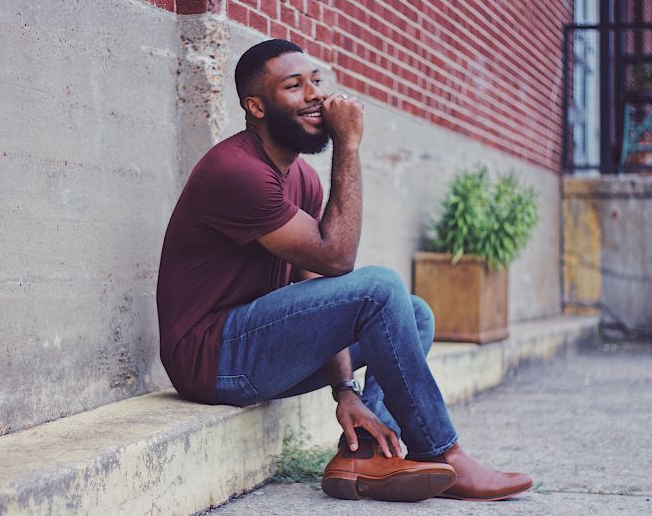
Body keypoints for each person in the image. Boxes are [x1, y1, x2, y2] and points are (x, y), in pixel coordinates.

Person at [156, 39, 532, 503]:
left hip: (259, 344)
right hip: (210, 360)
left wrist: (345, 391)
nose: (316, 94)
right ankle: (443, 452)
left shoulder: (302, 179)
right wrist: (348, 145)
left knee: (414, 314)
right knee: (379, 288)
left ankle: (364, 453)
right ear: (256, 107)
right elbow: (338, 259)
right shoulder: (236, 171)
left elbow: (319, 281)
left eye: (316, 81)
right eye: (294, 85)